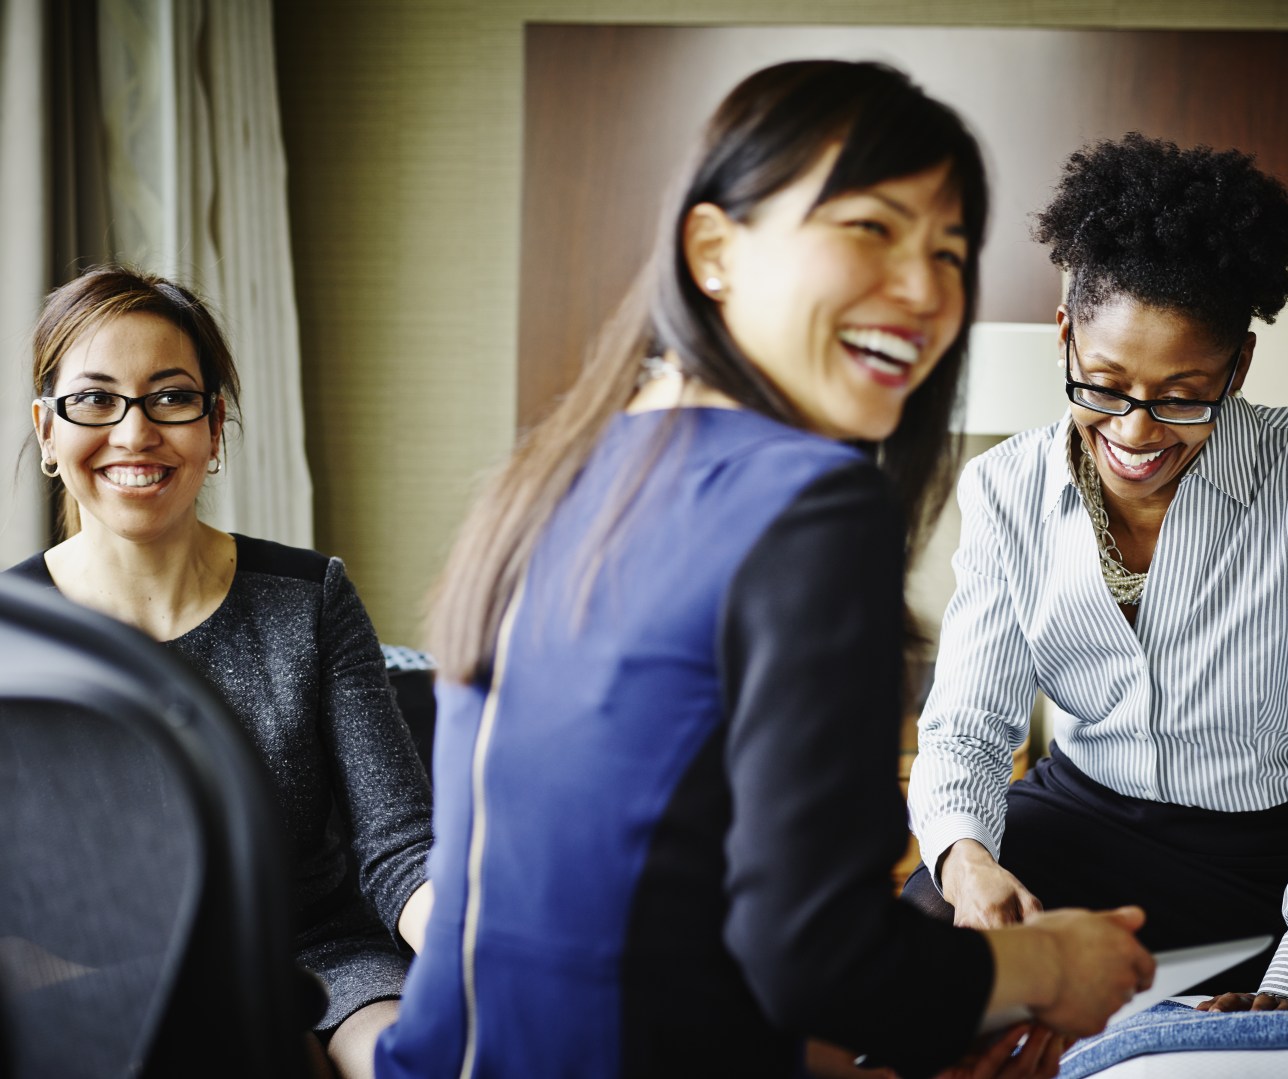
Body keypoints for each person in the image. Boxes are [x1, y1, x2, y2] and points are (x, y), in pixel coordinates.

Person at [374, 60, 1153, 1079]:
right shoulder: (809, 503)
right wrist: (1049, 960)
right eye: (870, 228)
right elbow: (813, 956)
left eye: (950, 251)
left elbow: (649, 928)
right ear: (713, 250)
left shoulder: (562, 468)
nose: (925, 290)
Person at [904, 132, 1288, 1013]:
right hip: (1078, 810)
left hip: (1260, 855)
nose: (1137, 433)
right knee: (920, 957)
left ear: (1240, 366)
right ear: (1064, 336)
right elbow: (965, 726)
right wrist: (967, 860)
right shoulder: (1004, 488)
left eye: (1183, 395)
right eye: (1104, 384)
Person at [9, 265, 436, 1079]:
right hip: (96, 975)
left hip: (320, 956)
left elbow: (401, 847)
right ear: (48, 430)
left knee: (417, 1061)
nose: (135, 433)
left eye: (169, 397)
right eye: (96, 399)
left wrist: (482, 947)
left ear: (213, 425)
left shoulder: (311, 596)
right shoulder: (12, 632)